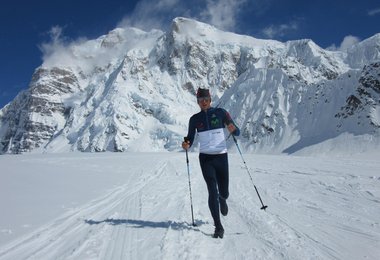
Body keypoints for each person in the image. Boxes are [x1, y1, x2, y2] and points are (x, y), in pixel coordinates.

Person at [182, 87, 240, 238]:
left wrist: (233, 129)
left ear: (210, 100)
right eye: (201, 101)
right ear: (198, 102)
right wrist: (186, 143)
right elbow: (189, 137)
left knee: (224, 192)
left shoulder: (221, 113)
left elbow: (235, 130)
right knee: (212, 191)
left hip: (221, 157)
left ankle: (223, 199)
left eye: (206, 100)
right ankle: (218, 226)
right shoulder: (194, 119)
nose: (204, 103)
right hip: (206, 159)